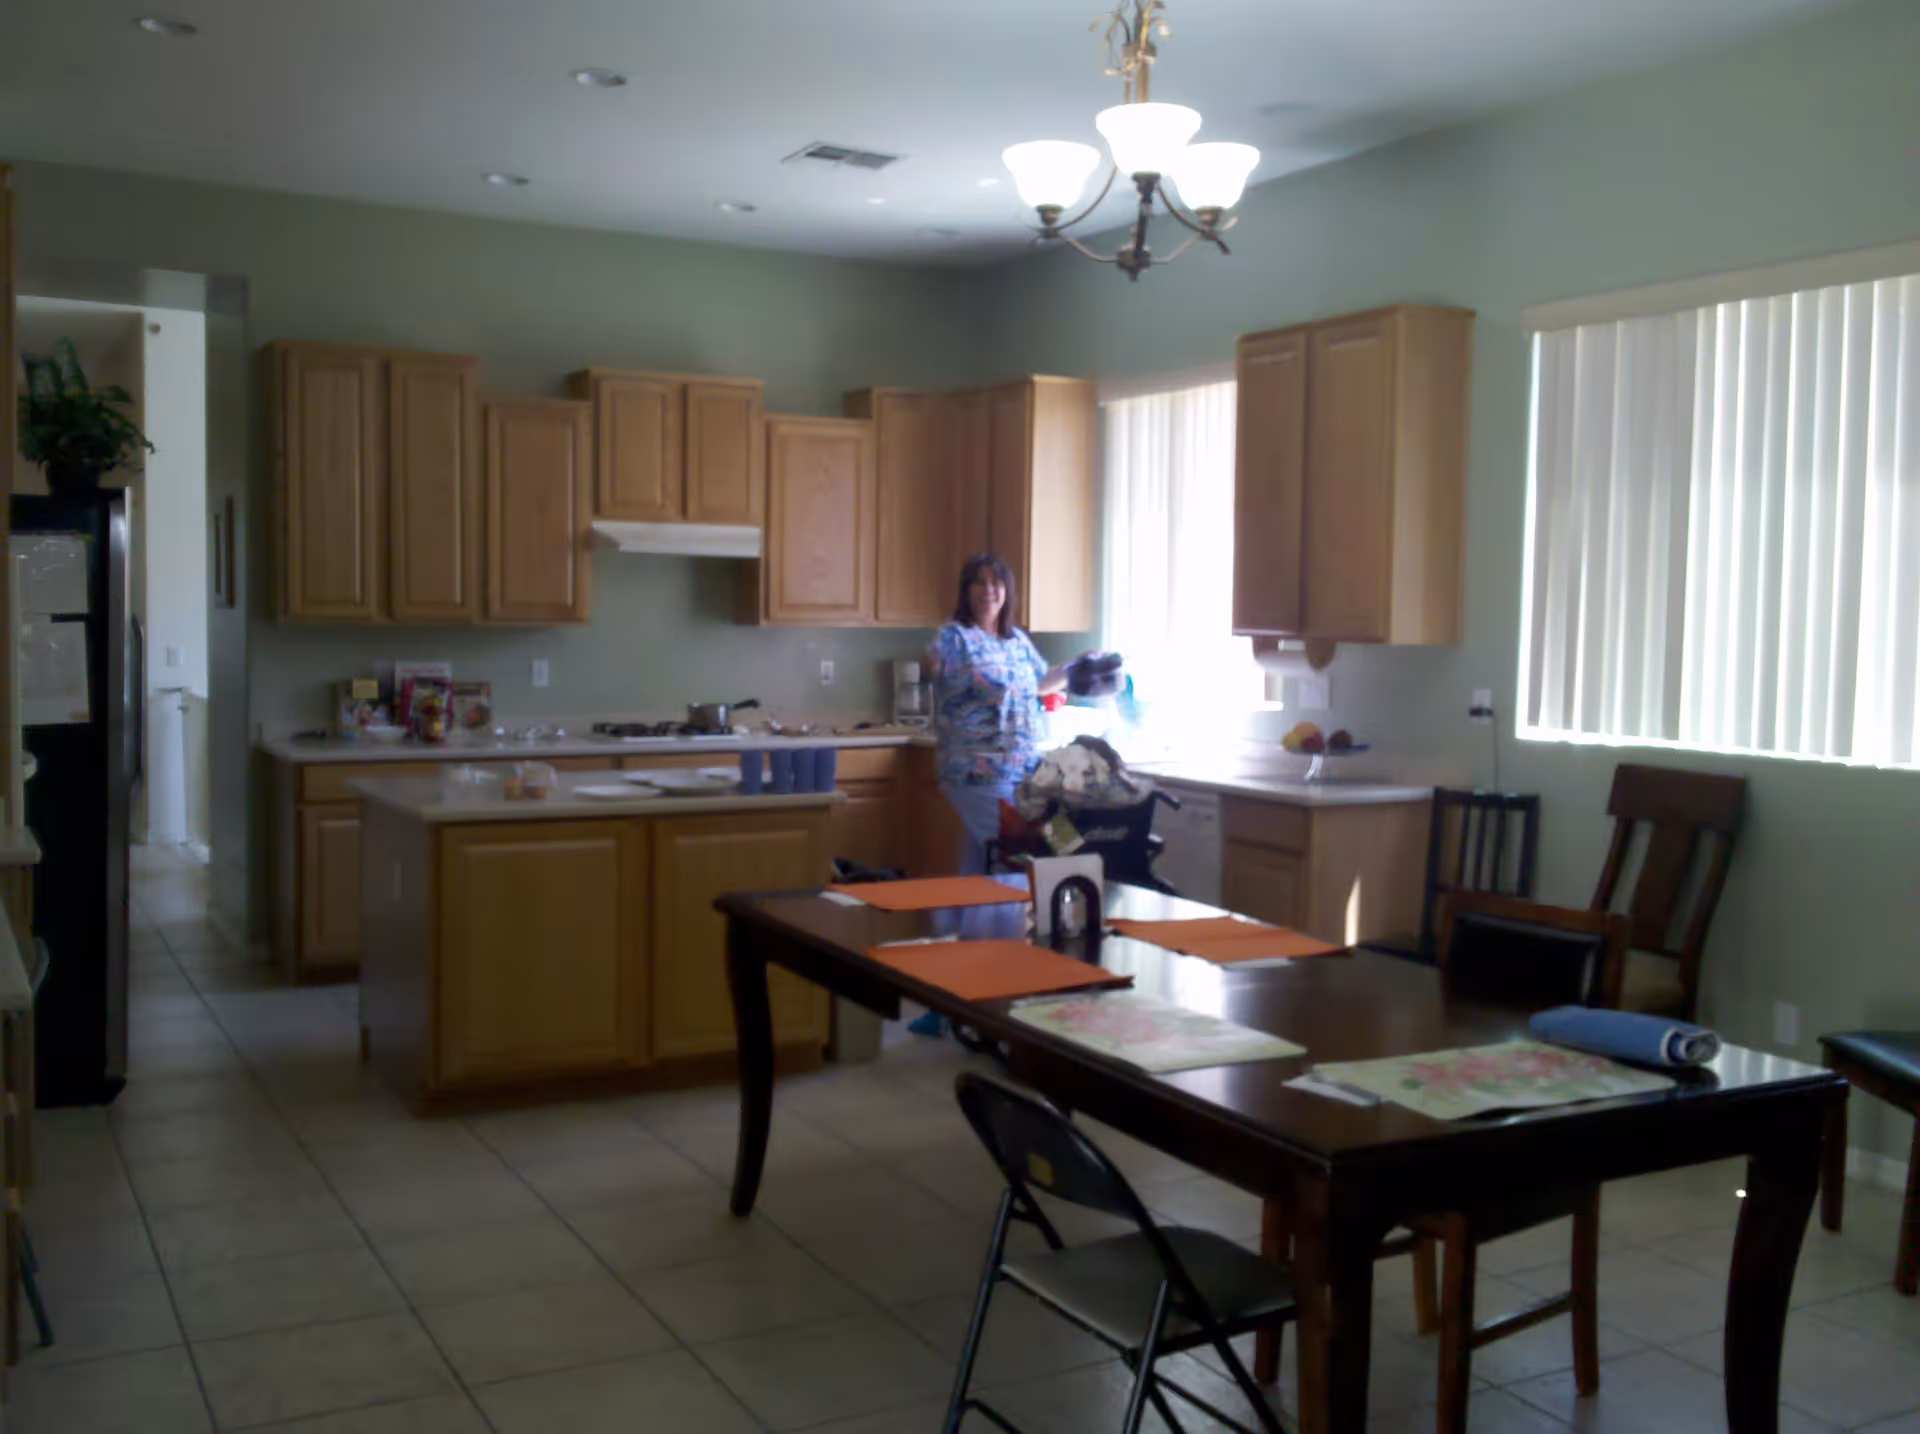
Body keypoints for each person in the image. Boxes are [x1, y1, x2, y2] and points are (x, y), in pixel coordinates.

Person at [923, 552, 1077, 876]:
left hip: (1022, 771)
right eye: (979, 582)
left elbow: (1042, 681)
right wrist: (933, 666)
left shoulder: (1015, 639)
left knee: (986, 858)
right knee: (1023, 848)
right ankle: (1015, 907)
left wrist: (1079, 667)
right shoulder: (955, 637)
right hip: (977, 772)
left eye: (996, 582)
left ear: (1007, 590)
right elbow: (931, 665)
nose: (989, 590)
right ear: (966, 590)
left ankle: (967, 909)